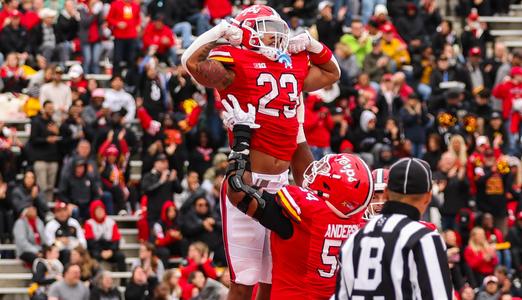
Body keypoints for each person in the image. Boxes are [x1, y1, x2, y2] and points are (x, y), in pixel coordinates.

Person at [223, 99, 374, 299]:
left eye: (326, 172)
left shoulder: (308, 214)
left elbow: (237, 191)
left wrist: (241, 141)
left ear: (333, 191)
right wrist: (298, 128)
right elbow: (306, 176)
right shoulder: (359, 220)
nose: (317, 171)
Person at [335, 157, 452, 299]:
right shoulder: (424, 237)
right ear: (428, 197)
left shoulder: (354, 238)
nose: (378, 203)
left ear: (386, 193)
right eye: (374, 197)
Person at [27, 100, 61, 202]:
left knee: (50, 187)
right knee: (42, 187)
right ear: (43, 109)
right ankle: (42, 208)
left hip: (53, 159)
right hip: (40, 159)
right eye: (49, 108)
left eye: (52, 108)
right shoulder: (36, 121)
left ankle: (49, 207)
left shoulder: (53, 122)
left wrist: (57, 133)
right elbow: (33, 140)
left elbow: (61, 140)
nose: (51, 110)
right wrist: (46, 139)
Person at [84, 200, 126, 272]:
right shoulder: (89, 223)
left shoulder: (111, 222)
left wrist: (111, 251)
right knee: (93, 257)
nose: (100, 212)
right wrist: (101, 252)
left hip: (110, 248)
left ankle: (123, 280)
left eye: (101, 209)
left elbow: (116, 239)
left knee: (121, 256)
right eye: (97, 210)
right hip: (96, 249)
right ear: (93, 211)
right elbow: (90, 242)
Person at [142, 154, 182, 228]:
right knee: (156, 236)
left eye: (166, 162)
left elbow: (179, 190)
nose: (165, 164)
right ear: (155, 163)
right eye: (162, 162)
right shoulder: (148, 176)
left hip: (168, 215)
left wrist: (175, 180)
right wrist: (160, 182)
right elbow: (146, 191)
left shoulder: (169, 176)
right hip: (154, 214)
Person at [106, 0, 140, 72]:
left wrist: (137, 26)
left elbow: (137, 18)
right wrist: (117, 23)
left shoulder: (135, 6)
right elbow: (109, 18)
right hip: (119, 36)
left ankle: (130, 78)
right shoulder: (115, 4)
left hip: (132, 36)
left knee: (131, 59)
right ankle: (116, 78)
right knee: (117, 59)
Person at [152, 201, 185, 266]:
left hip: (173, 245)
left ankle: (185, 263)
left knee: (185, 243)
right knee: (165, 252)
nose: (172, 213)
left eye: (174, 210)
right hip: (161, 246)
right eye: (170, 211)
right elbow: (159, 242)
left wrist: (179, 237)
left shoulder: (178, 222)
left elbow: (182, 235)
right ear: (165, 212)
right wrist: (170, 236)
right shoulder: (158, 224)